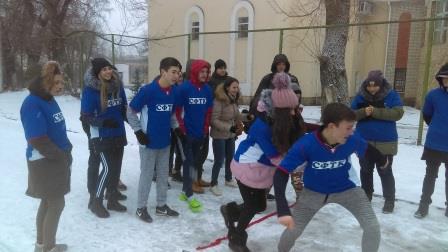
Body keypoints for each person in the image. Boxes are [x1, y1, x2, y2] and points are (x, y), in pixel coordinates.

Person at [274, 103, 388, 252]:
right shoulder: (306, 144)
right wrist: (282, 208)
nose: (351, 131)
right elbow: (280, 174)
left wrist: (382, 160)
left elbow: (368, 149)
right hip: (314, 192)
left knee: (372, 226)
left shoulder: (351, 139)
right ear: (332, 126)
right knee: (293, 229)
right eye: (348, 128)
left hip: (347, 190)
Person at [220, 72, 304, 252]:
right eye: (289, 109)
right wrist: (295, 164)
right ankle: (237, 238)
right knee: (252, 206)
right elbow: (275, 155)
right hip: (247, 167)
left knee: (259, 205)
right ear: (279, 111)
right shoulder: (262, 127)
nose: (293, 111)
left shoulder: (283, 123)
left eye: (294, 108)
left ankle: (231, 211)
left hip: (262, 168)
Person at [21, 61, 72, 252]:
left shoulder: (48, 98)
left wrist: (67, 148)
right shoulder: (32, 103)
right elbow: (37, 138)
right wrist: (60, 155)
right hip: (44, 160)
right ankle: (48, 248)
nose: (60, 86)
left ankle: (41, 245)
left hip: (55, 157)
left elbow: (56, 128)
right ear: (45, 81)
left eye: (61, 82)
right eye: (56, 82)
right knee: (57, 203)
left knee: (48, 201)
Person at [127, 57, 181, 223]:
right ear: (162, 72)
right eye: (173, 72)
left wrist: (177, 128)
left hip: (165, 142)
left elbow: (171, 113)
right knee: (147, 175)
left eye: (178, 73)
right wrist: (138, 132)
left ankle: (161, 205)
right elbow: (130, 111)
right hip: (148, 143)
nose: (176, 76)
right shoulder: (148, 91)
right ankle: (140, 208)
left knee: (164, 175)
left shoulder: (172, 91)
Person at [80, 58, 128, 218]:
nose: (108, 72)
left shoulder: (118, 86)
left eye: (110, 68)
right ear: (97, 73)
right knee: (106, 169)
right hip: (101, 135)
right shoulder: (90, 90)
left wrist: (138, 127)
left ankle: (112, 199)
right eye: (104, 70)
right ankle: (96, 202)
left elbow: (124, 109)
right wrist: (103, 122)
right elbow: (85, 117)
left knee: (116, 168)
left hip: (118, 133)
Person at [351, 70, 403, 213]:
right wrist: (363, 113)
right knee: (366, 170)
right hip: (364, 141)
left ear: (381, 85)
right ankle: (367, 196)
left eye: (375, 86)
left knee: (385, 171)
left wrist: (375, 112)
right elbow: (350, 114)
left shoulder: (391, 95)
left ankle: (389, 200)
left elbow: (398, 113)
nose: (372, 89)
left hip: (385, 143)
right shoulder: (360, 96)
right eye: (369, 86)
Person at [174, 59, 213, 212]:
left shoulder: (207, 90)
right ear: (195, 72)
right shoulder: (183, 88)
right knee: (188, 161)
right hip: (185, 133)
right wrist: (182, 130)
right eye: (202, 71)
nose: (205, 74)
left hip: (200, 133)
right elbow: (177, 111)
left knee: (195, 162)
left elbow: (208, 111)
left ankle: (184, 191)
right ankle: (190, 194)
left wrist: (205, 129)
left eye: (207, 72)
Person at [414, 63, 448, 219]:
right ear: (440, 80)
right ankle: (423, 206)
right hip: (434, 143)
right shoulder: (433, 95)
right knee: (430, 176)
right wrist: (437, 127)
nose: (446, 81)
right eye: (444, 78)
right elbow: (427, 114)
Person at [209, 77, 244, 196]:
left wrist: (247, 117)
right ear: (227, 87)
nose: (236, 89)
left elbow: (237, 115)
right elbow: (213, 120)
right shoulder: (219, 100)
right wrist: (229, 127)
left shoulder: (233, 99)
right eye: (234, 87)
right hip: (219, 134)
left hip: (230, 134)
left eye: (237, 87)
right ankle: (213, 184)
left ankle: (228, 179)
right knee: (219, 160)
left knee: (230, 157)